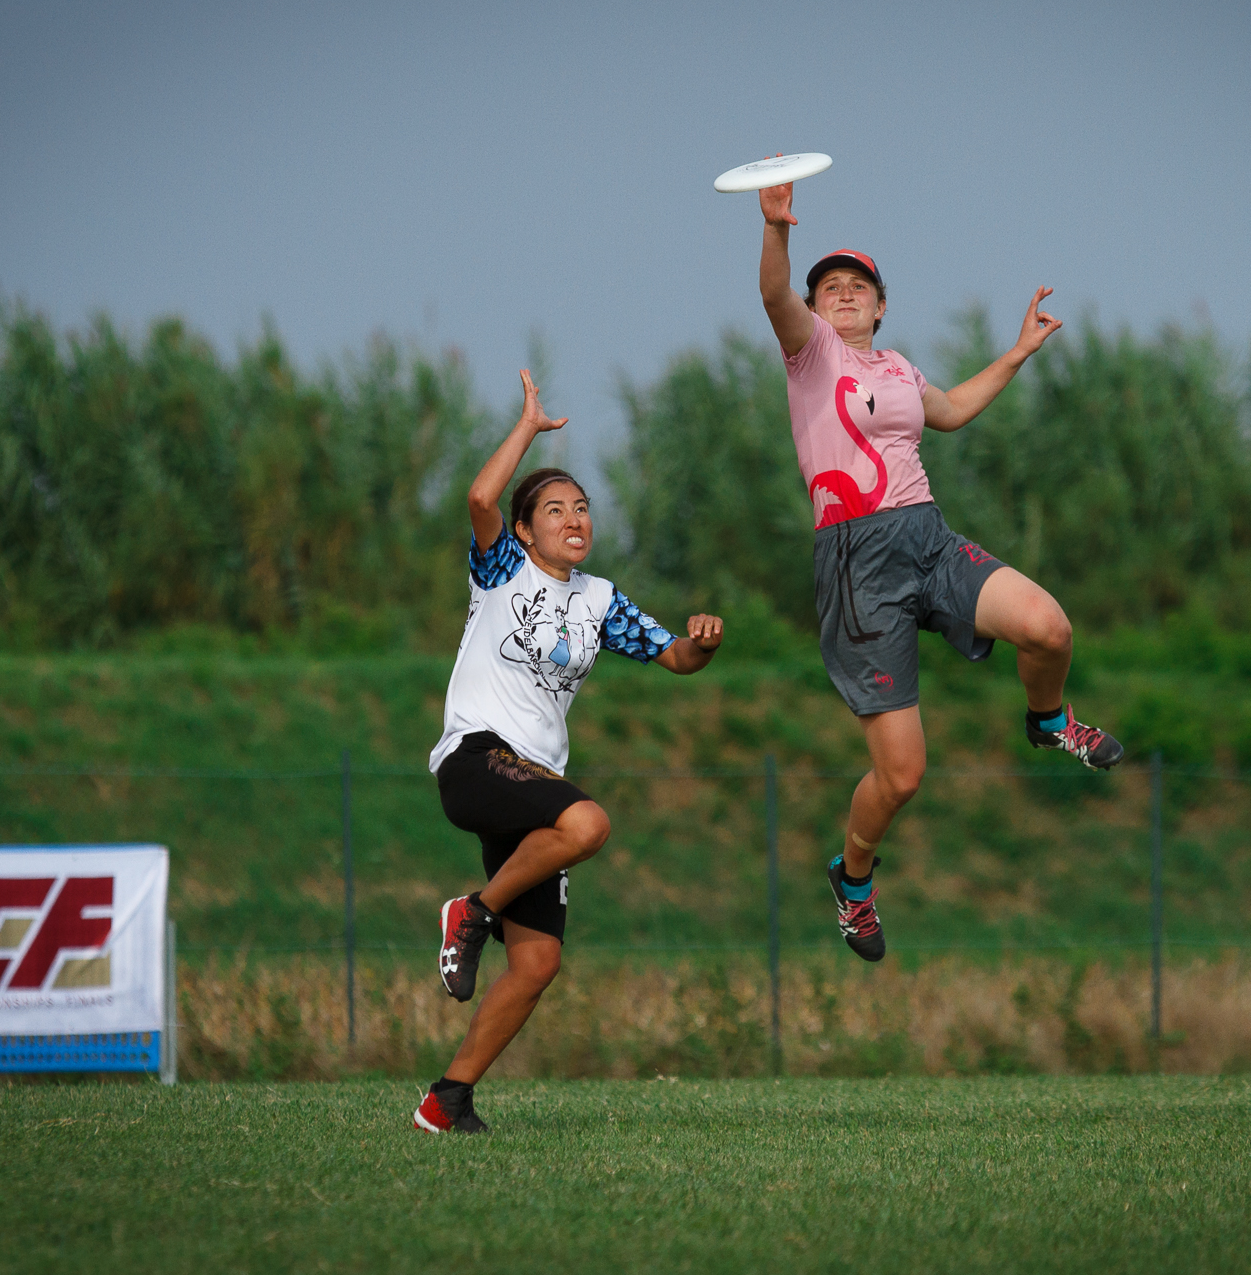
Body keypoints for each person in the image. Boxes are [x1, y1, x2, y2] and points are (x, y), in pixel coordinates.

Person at [755, 171, 1122, 963]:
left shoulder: (897, 367)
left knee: (1049, 628)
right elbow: (774, 294)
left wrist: (1019, 351)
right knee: (902, 778)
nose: (843, 294)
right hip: (857, 565)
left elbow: (950, 412)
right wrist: (778, 230)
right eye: (831, 288)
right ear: (817, 309)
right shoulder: (810, 355)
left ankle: (1049, 722)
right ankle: (852, 880)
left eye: (859, 286)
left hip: (928, 538)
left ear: (881, 304)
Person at [414, 369, 724, 1135]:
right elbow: (481, 500)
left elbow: (675, 660)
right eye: (554, 508)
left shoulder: (599, 599)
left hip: (532, 784)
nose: (573, 517)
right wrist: (527, 427)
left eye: (581, 506)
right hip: (476, 758)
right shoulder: (501, 570)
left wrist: (702, 643)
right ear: (526, 531)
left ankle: (445, 1101)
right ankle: (472, 912)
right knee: (588, 825)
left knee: (538, 965)